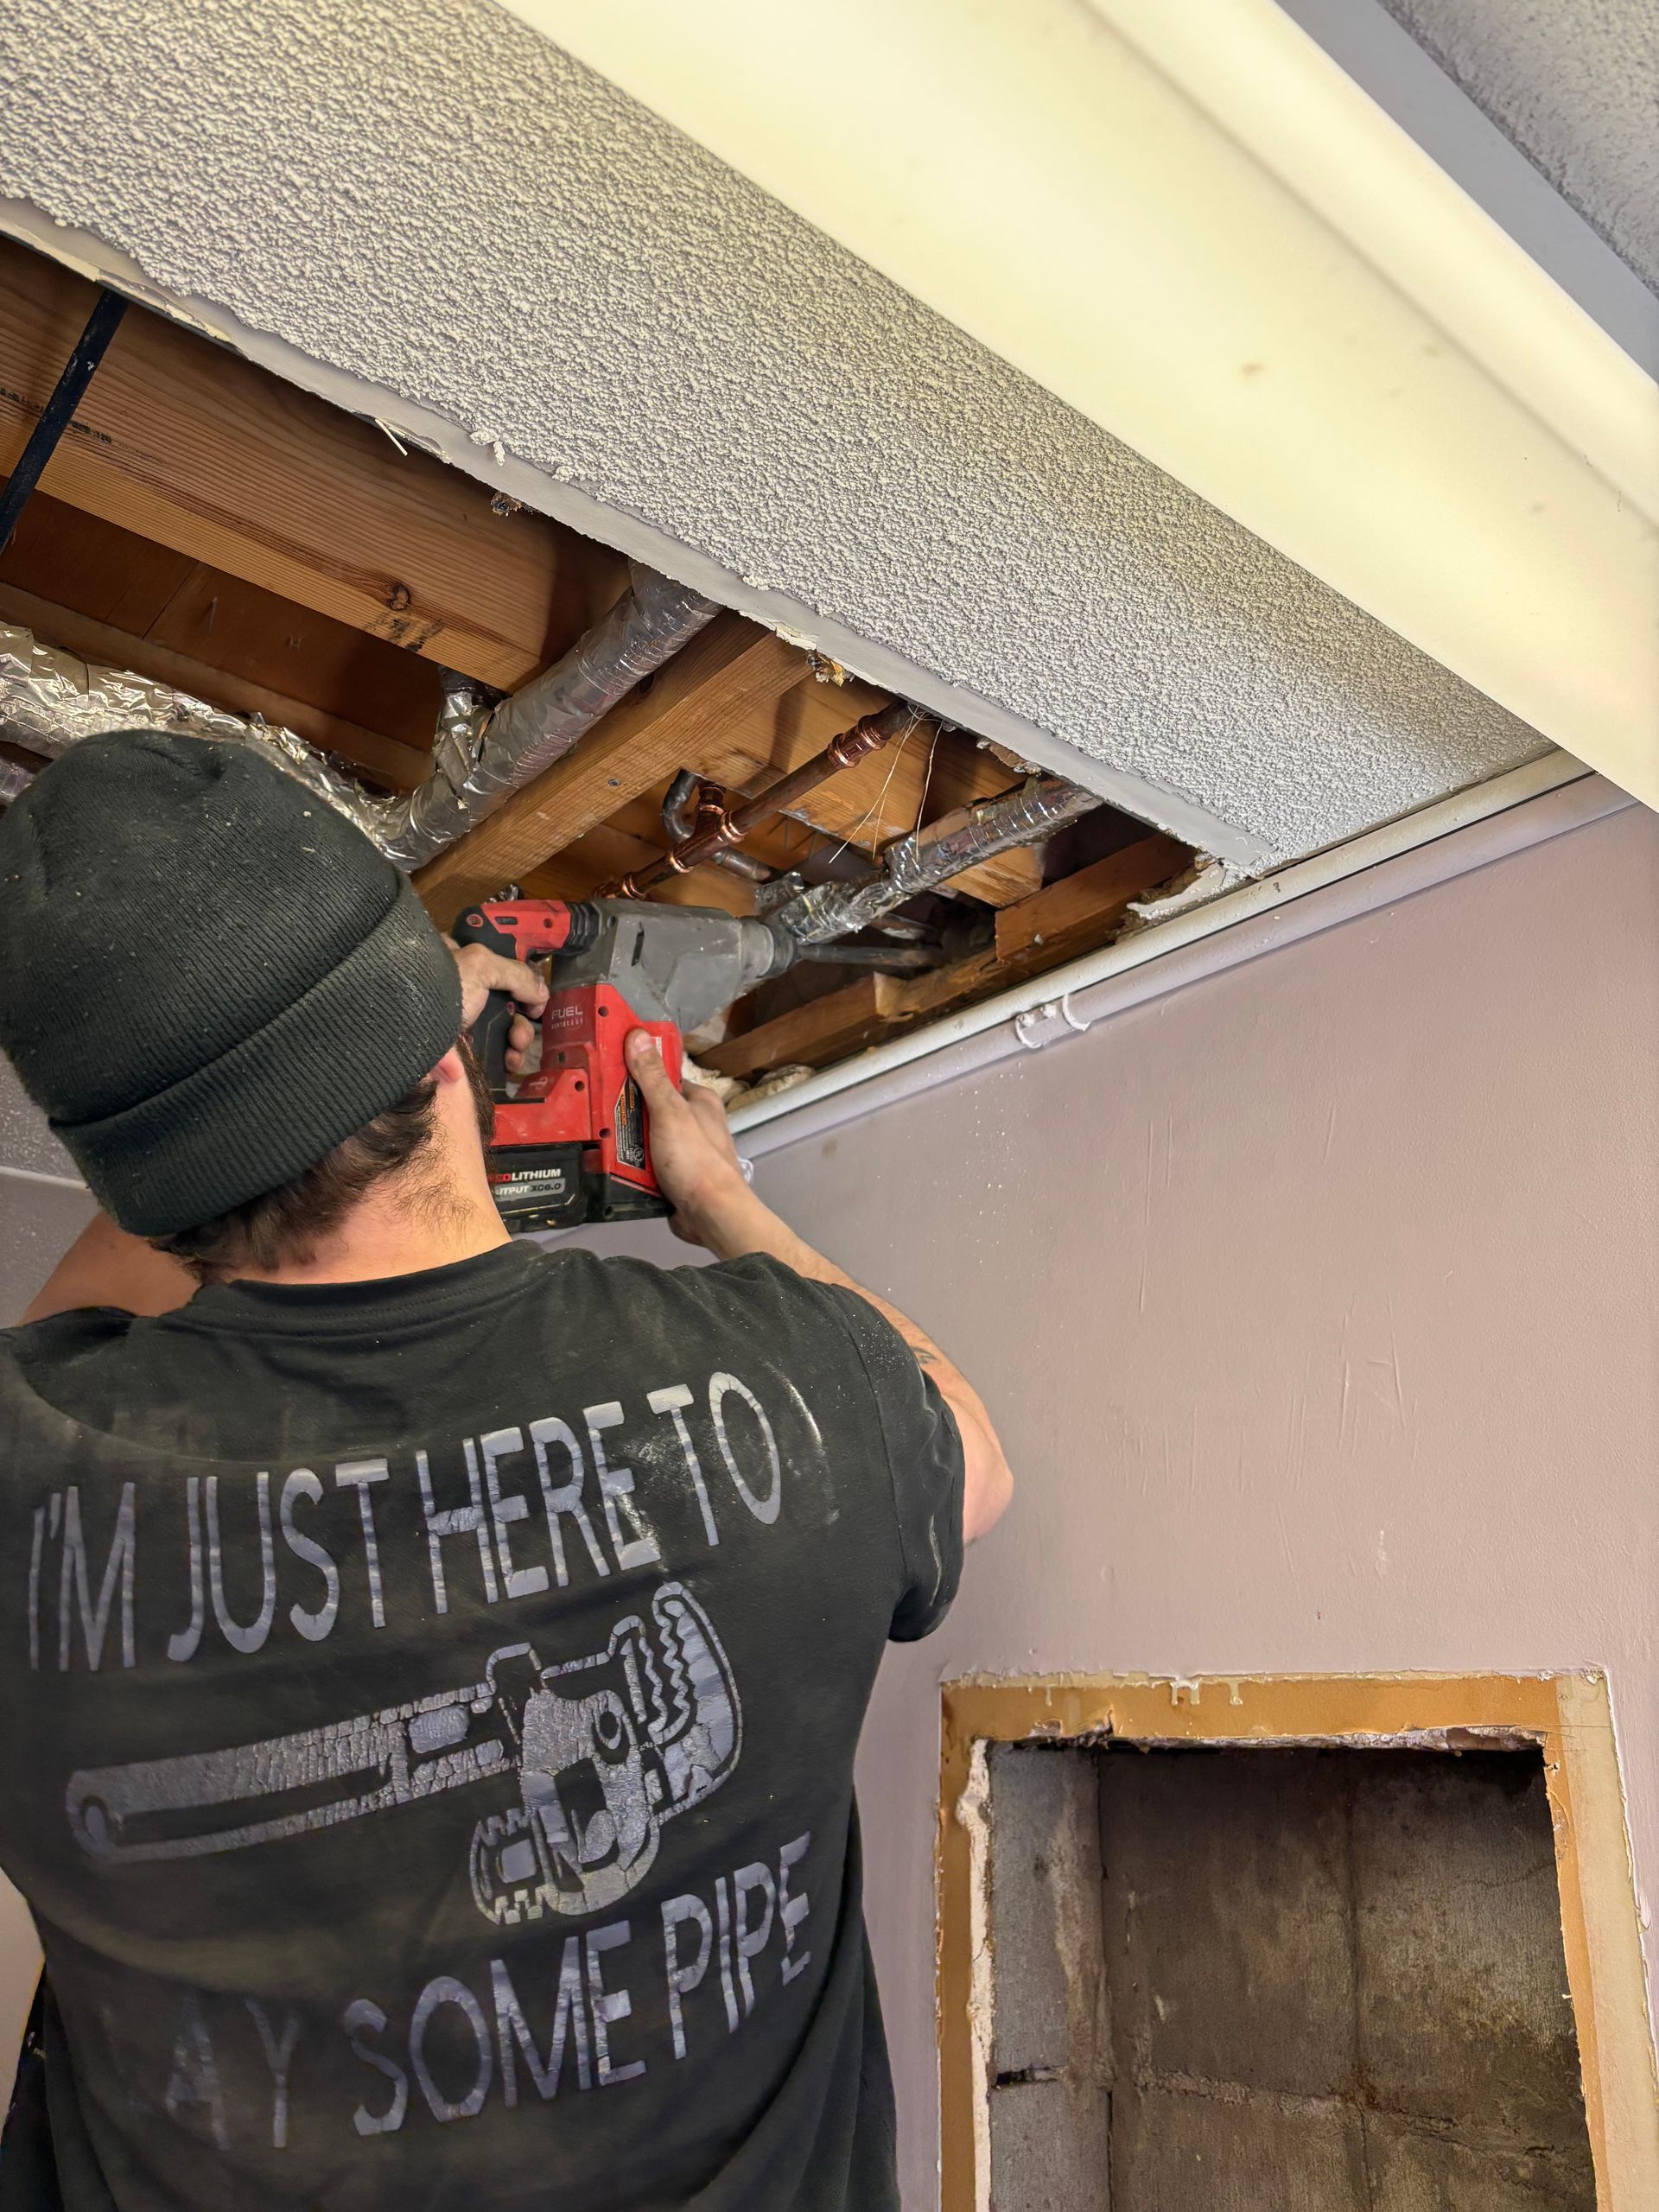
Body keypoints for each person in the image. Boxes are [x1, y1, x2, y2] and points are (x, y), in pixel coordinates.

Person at [0, 728, 1013, 2211]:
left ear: (144, 1192)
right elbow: (971, 1453)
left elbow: (69, 1328)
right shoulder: (797, 1379)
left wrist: (282, 1082)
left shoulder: (32, 1466)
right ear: (438, 1052)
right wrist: (724, 1204)